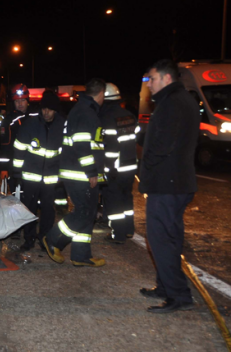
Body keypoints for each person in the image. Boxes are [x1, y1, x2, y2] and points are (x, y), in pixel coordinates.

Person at [139, 59, 199, 313]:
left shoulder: (172, 104)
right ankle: (166, 286)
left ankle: (179, 295)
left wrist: (146, 167)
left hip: (168, 184)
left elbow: (162, 145)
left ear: (166, 78)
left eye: (151, 79)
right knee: (169, 238)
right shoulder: (178, 100)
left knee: (161, 240)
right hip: (175, 183)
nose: (148, 84)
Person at [43, 78, 106, 267]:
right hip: (80, 174)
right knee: (85, 212)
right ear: (101, 93)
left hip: (79, 172)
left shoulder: (83, 110)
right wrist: (91, 171)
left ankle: (80, 254)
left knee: (88, 212)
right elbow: (81, 144)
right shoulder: (86, 113)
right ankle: (53, 239)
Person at [12, 90, 65, 251]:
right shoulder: (31, 124)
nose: (46, 112)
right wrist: (16, 173)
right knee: (29, 208)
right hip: (30, 177)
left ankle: (45, 239)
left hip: (50, 178)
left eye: (49, 109)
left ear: (55, 110)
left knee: (48, 210)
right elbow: (19, 149)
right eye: (43, 109)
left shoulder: (62, 125)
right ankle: (29, 239)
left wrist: (61, 174)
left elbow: (66, 151)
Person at [99, 83, 138, 244]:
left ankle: (118, 233)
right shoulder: (129, 115)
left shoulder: (107, 118)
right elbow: (133, 140)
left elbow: (111, 147)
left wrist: (108, 168)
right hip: (130, 166)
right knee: (126, 198)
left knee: (113, 200)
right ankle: (129, 229)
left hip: (115, 167)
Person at [0, 84, 39, 194]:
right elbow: (4, 147)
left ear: (27, 100)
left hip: (34, 166)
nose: (20, 104)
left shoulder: (37, 116)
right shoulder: (8, 121)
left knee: (34, 198)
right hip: (15, 168)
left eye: (22, 100)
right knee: (18, 198)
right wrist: (4, 168)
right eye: (17, 101)